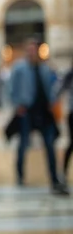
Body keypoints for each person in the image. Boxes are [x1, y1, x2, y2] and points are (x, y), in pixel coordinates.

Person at [10, 38, 69, 196]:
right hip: (27, 110)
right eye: (29, 49)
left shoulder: (44, 68)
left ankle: (54, 178)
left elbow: (52, 87)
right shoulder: (19, 68)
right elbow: (11, 88)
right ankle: (20, 175)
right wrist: (17, 105)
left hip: (44, 112)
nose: (32, 52)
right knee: (23, 144)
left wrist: (53, 102)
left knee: (50, 145)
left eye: (34, 49)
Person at [55, 56, 73, 184]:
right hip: (72, 113)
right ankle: (63, 172)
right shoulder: (69, 75)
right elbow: (57, 90)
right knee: (71, 143)